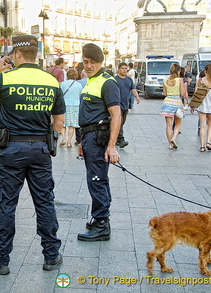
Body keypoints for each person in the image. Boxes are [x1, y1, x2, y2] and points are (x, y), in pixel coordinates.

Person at [0, 35, 65, 275]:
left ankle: (0, 260)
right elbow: (59, 120)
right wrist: (48, 142)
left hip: (10, 151)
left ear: (19, 55)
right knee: (44, 202)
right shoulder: (51, 81)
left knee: (6, 205)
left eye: (12, 55)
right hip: (41, 150)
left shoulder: (5, 78)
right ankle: (51, 256)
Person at [77, 43, 122, 242]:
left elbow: (116, 115)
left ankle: (102, 223)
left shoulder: (107, 82)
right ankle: (99, 219)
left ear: (101, 62)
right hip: (88, 138)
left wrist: (111, 146)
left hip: (98, 139)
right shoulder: (90, 81)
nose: (88, 66)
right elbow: (87, 114)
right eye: (85, 62)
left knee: (97, 180)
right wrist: (80, 140)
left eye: (92, 62)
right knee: (96, 178)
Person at [191, 64, 211, 152]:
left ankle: (202, 146)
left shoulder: (201, 81)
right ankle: (208, 142)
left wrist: (193, 105)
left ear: (205, 71)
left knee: (202, 125)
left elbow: (196, 94)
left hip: (202, 104)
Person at [115, 62, 140, 148]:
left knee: (122, 122)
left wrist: (137, 97)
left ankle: (116, 139)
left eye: (126, 68)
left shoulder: (129, 80)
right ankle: (121, 140)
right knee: (119, 122)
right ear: (118, 69)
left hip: (125, 105)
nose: (125, 70)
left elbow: (133, 89)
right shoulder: (115, 79)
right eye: (123, 68)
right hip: (116, 105)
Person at [159, 64, 185, 150]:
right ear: (178, 71)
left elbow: (165, 93)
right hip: (177, 102)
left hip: (167, 102)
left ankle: (170, 143)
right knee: (177, 123)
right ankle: (174, 138)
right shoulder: (180, 80)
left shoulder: (165, 80)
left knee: (168, 125)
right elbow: (182, 93)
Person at [60, 68, 83, 147]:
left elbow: (60, 94)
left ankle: (63, 138)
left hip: (64, 105)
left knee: (63, 124)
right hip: (75, 106)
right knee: (72, 125)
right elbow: (80, 95)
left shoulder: (63, 84)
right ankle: (69, 141)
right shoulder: (79, 85)